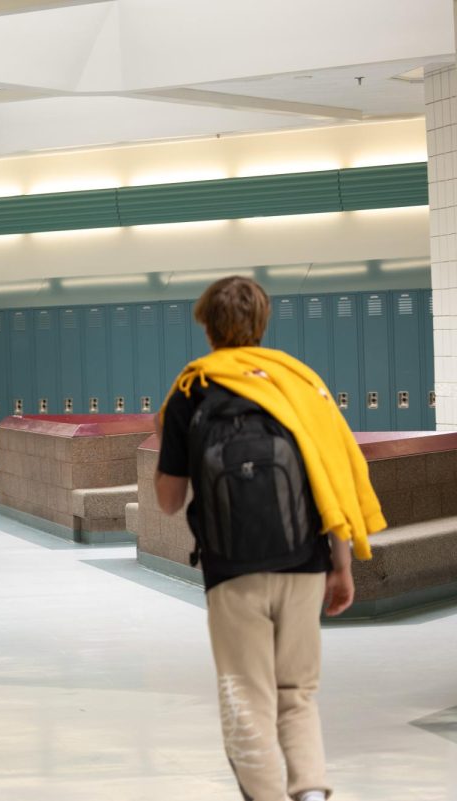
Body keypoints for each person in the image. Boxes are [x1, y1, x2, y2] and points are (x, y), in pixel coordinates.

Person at [154, 276, 383, 801]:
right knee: (296, 692)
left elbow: (169, 501)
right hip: (304, 561)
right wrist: (341, 565)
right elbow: (332, 481)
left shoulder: (191, 389)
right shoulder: (300, 384)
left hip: (230, 570)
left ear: (208, 327)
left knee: (246, 694)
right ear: (262, 322)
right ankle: (309, 791)